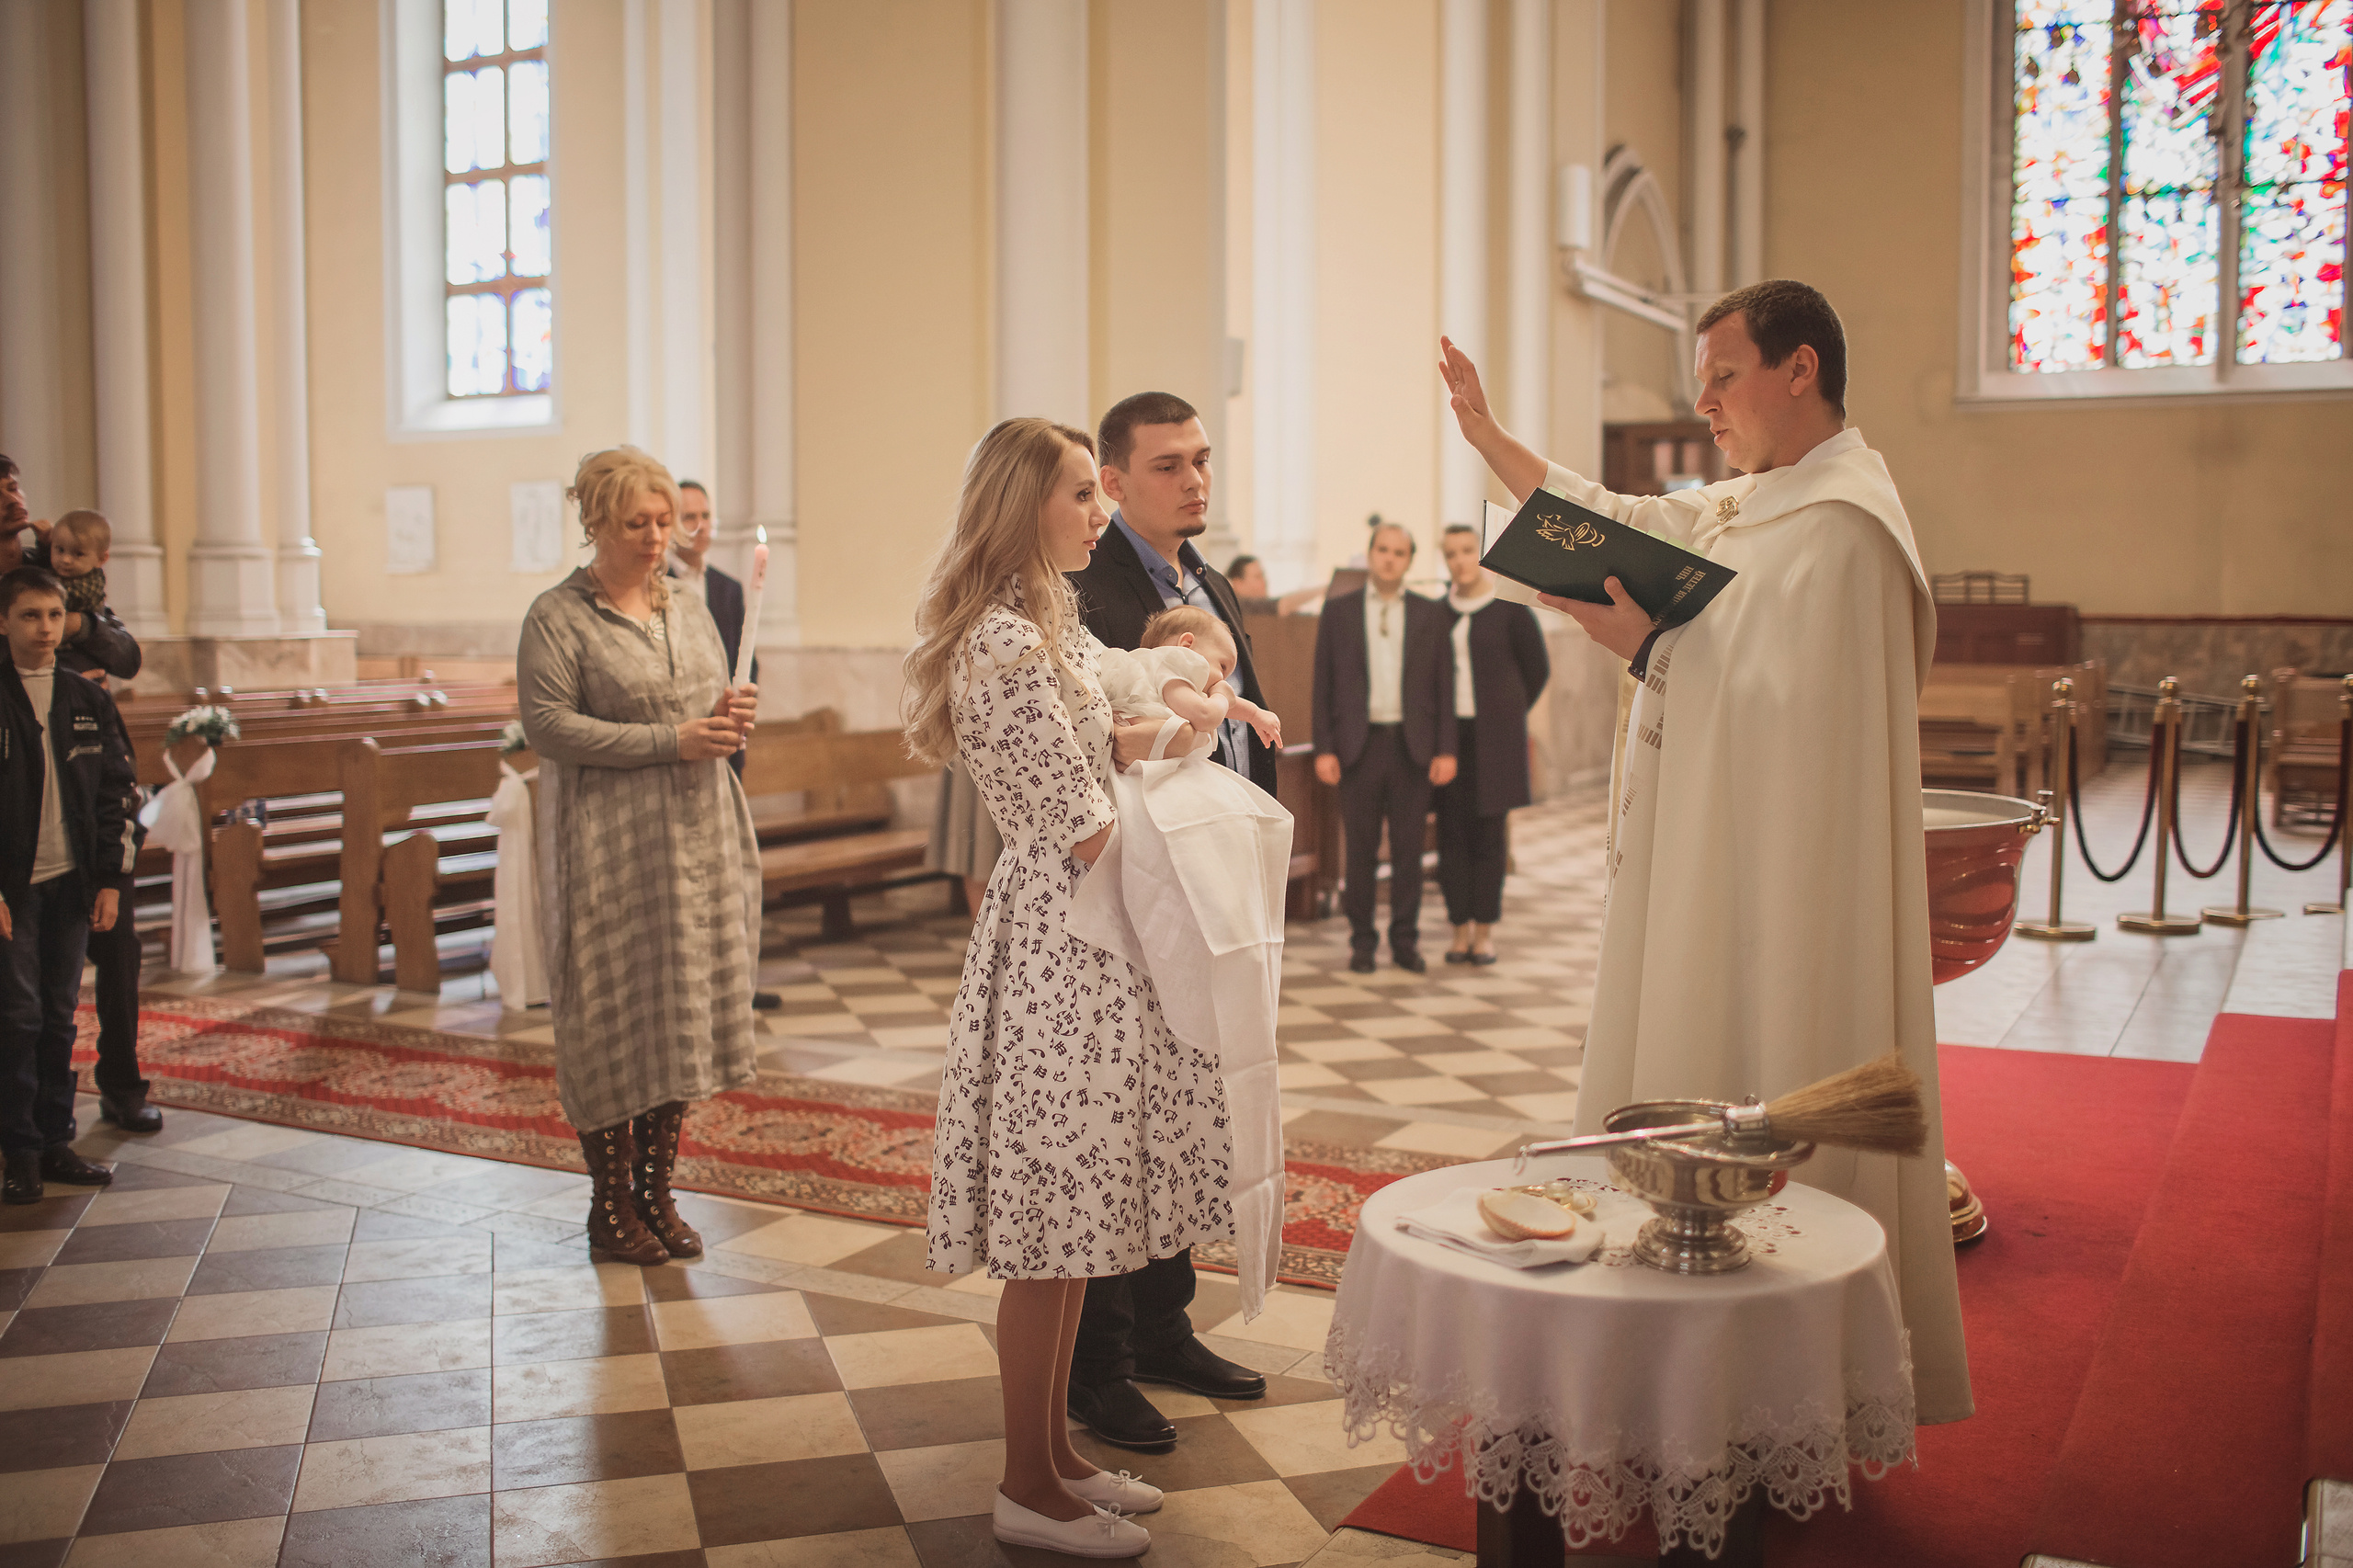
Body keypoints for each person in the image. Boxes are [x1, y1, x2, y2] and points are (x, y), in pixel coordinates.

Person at [1438, 278, 1972, 1426]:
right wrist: (1489, 440)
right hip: (1702, 856)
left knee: (1766, 1050)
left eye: (1723, 374)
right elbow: (1613, 515)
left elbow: (1800, 719)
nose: (1704, 400)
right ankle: (1668, 1354)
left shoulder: (1846, 527)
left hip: (1789, 885)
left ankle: (1778, 1384)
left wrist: (1652, 650)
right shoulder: (1754, 502)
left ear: (1800, 368)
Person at [909, 416, 1216, 1558]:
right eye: (1082, 492)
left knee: (1082, 1223)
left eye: (1097, 490)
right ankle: (1023, 1485)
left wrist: (1171, 731)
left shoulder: (1054, 622)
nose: (1099, 511)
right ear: (1020, 505)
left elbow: (1126, 744)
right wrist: (1174, 791)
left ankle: (1060, 1455)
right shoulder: (997, 644)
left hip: (1099, 938)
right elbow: (1086, 823)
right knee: (1050, 1231)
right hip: (1063, 947)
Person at [1063, 392, 1276, 1453]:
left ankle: (1163, 1323)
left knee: (1186, 1111)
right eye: (1167, 465)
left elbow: (1242, 720)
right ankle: (1097, 1363)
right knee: (1118, 1127)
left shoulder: (1211, 579)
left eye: (1199, 458)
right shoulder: (1084, 588)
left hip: (1209, 880)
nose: (1195, 479)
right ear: (1111, 480)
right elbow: (1107, 733)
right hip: (1129, 888)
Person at [517, 447, 762, 1268]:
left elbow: (704, 696)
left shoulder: (688, 605)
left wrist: (728, 714)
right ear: (595, 524)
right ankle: (608, 1203)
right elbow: (548, 727)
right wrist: (673, 739)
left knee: (678, 1011)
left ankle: (657, 1192)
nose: (659, 537)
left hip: (693, 838)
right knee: (612, 1014)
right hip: (609, 843)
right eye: (638, 524)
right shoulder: (559, 617)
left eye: (667, 521)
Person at [1, 566, 138, 1203]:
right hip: (14, 890)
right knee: (19, 1018)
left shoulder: (86, 698)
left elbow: (116, 792)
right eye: (30, 616)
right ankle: (18, 1148)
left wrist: (111, 879)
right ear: (4, 621)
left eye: (53, 616)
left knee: (59, 1017)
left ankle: (56, 1140)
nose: (45, 629)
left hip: (72, 883)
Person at [1312, 521, 1457, 975]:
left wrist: (1446, 748)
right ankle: (1361, 941)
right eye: (1382, 550)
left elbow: (1444, 685)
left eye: (1399, 552)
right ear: (1370, 554)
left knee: (1409, 850)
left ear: (1409, 561)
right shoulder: (1339, 611)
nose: (1389, 558)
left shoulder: (1431, 613)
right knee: (1360, 849)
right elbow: (1324, 686)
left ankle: (1405, 940)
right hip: (1359, 746)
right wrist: (1324, 748)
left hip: (1413, 747)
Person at [666, 479, 778, 1009]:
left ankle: (735, 976)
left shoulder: (729, 588)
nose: (701, 526)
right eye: (690, 515)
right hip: (682, 739)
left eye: (707, 514)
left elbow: (745, 654)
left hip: (726, 734)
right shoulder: (659, 585)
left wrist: (736, 700)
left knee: (728, 854)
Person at [1433, 525, 1549, 965]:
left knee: (1488, 838)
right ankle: (1457, 930)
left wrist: (1506, 713)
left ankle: (1484, 933)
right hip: (1450, 739)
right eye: (1451, 554)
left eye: (1466, 552)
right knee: (1451, 836)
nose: (1459, 561)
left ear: (1481, 557)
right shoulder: (1437, 613)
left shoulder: (1511, 612)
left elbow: (1535, 672)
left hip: (1495, 739)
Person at [1224, 554, 1323, 617]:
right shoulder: (1237, 607)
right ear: (1238, 583)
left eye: (1263, 575)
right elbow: (1281, 605)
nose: (1264, 581)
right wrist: (1322, 590)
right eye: (1257, 577)